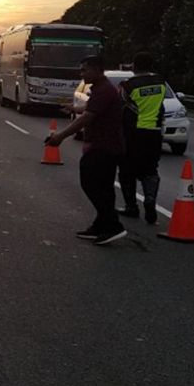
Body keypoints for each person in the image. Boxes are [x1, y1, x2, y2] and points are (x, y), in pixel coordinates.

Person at [45, 55, 127, 245]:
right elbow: (92, 109)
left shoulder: (105, 90)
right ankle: (100, 224)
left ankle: (113, 225)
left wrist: (60, 137)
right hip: (103, 145)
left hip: (104, 146)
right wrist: (74, 108)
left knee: (91, 183)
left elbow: (87, 118)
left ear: (98, 70)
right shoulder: (99, 89)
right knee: (103, 187)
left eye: (85, 70)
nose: (81, 74)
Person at [118, 52, 166, 224]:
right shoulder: (161, 83)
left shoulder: (128, 86)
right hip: (154, 132)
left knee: (126, 171)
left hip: (134, 133)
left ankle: (131, 206)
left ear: (134, 66)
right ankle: (150, 199)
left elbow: (121, 107)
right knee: (150, 169)